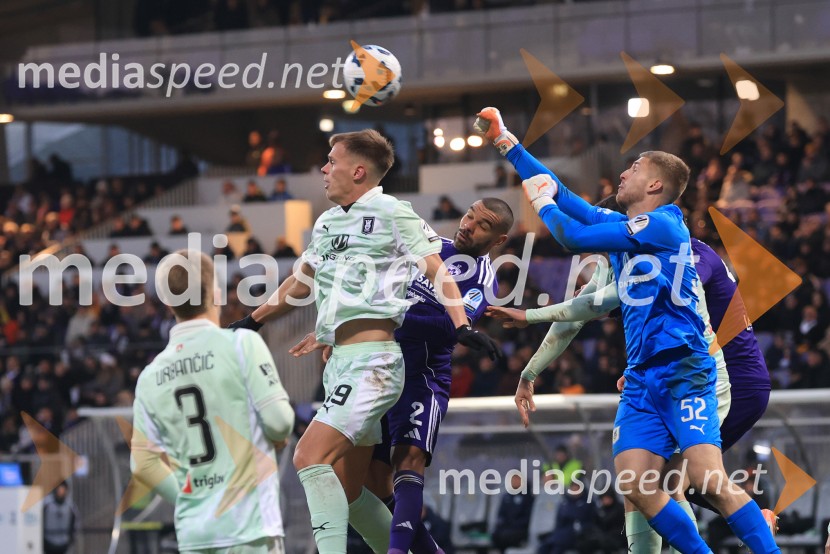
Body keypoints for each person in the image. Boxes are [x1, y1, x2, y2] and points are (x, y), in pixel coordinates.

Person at [475, 107, 779, 553]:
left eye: (634, 168)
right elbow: (566, 198)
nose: (622, 172)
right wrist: (508, 143)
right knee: (636, 485)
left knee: (704, 480)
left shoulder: (665, 227)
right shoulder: (627, 230)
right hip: (641, 376)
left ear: (655, 185)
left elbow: (571, 238)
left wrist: (539, 203)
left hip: (687, 370)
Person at [229, 129, 501, 554]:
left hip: (374, 363)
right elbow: (302, 282)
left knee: (308, 457)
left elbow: (437, 270)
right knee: (352, 491)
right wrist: (251, 320)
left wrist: (461, 324)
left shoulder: (394, 212)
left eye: (331, 160)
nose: (323, 168)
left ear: (357, 170)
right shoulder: (326, 221)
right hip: (340, 361)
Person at [293, 197, 513, 554]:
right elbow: (379, 291)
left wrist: (385, 318)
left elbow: (446, 327)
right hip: (376, 369)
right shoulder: (429, 248)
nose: (468, 225)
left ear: (498, 240)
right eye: (469, 215)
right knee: (371, 483)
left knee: (407, 462)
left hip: (422, 378)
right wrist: (345, 329)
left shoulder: (484, 277)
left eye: (482, 225)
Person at [130, 250, 294, 553]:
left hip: (195, 533)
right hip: (249, 528)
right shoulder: (242, 344)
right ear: (215, 293)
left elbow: (142, 464)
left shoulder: (150, 376)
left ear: (168, 304)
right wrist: (275, 437)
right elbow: (279, 422)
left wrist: (190, 496)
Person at [492, 474, 535, 552]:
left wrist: (514, 524)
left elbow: (528, 517)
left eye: (517, 479)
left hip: (520, 529)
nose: (514, 481)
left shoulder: (528, 497)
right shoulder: (507, 497)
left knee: (507, 536)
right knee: (496, 535)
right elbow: (501, 514)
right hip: (506, 528)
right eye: (512, 479)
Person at [42, 481, 79, 554]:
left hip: (64, 543)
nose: (61, 492)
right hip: (48, 542)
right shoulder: (47, 504)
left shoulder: (70, 506)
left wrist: (71, 538)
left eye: (63, 489)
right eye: (59, 489)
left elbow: (75, 523)